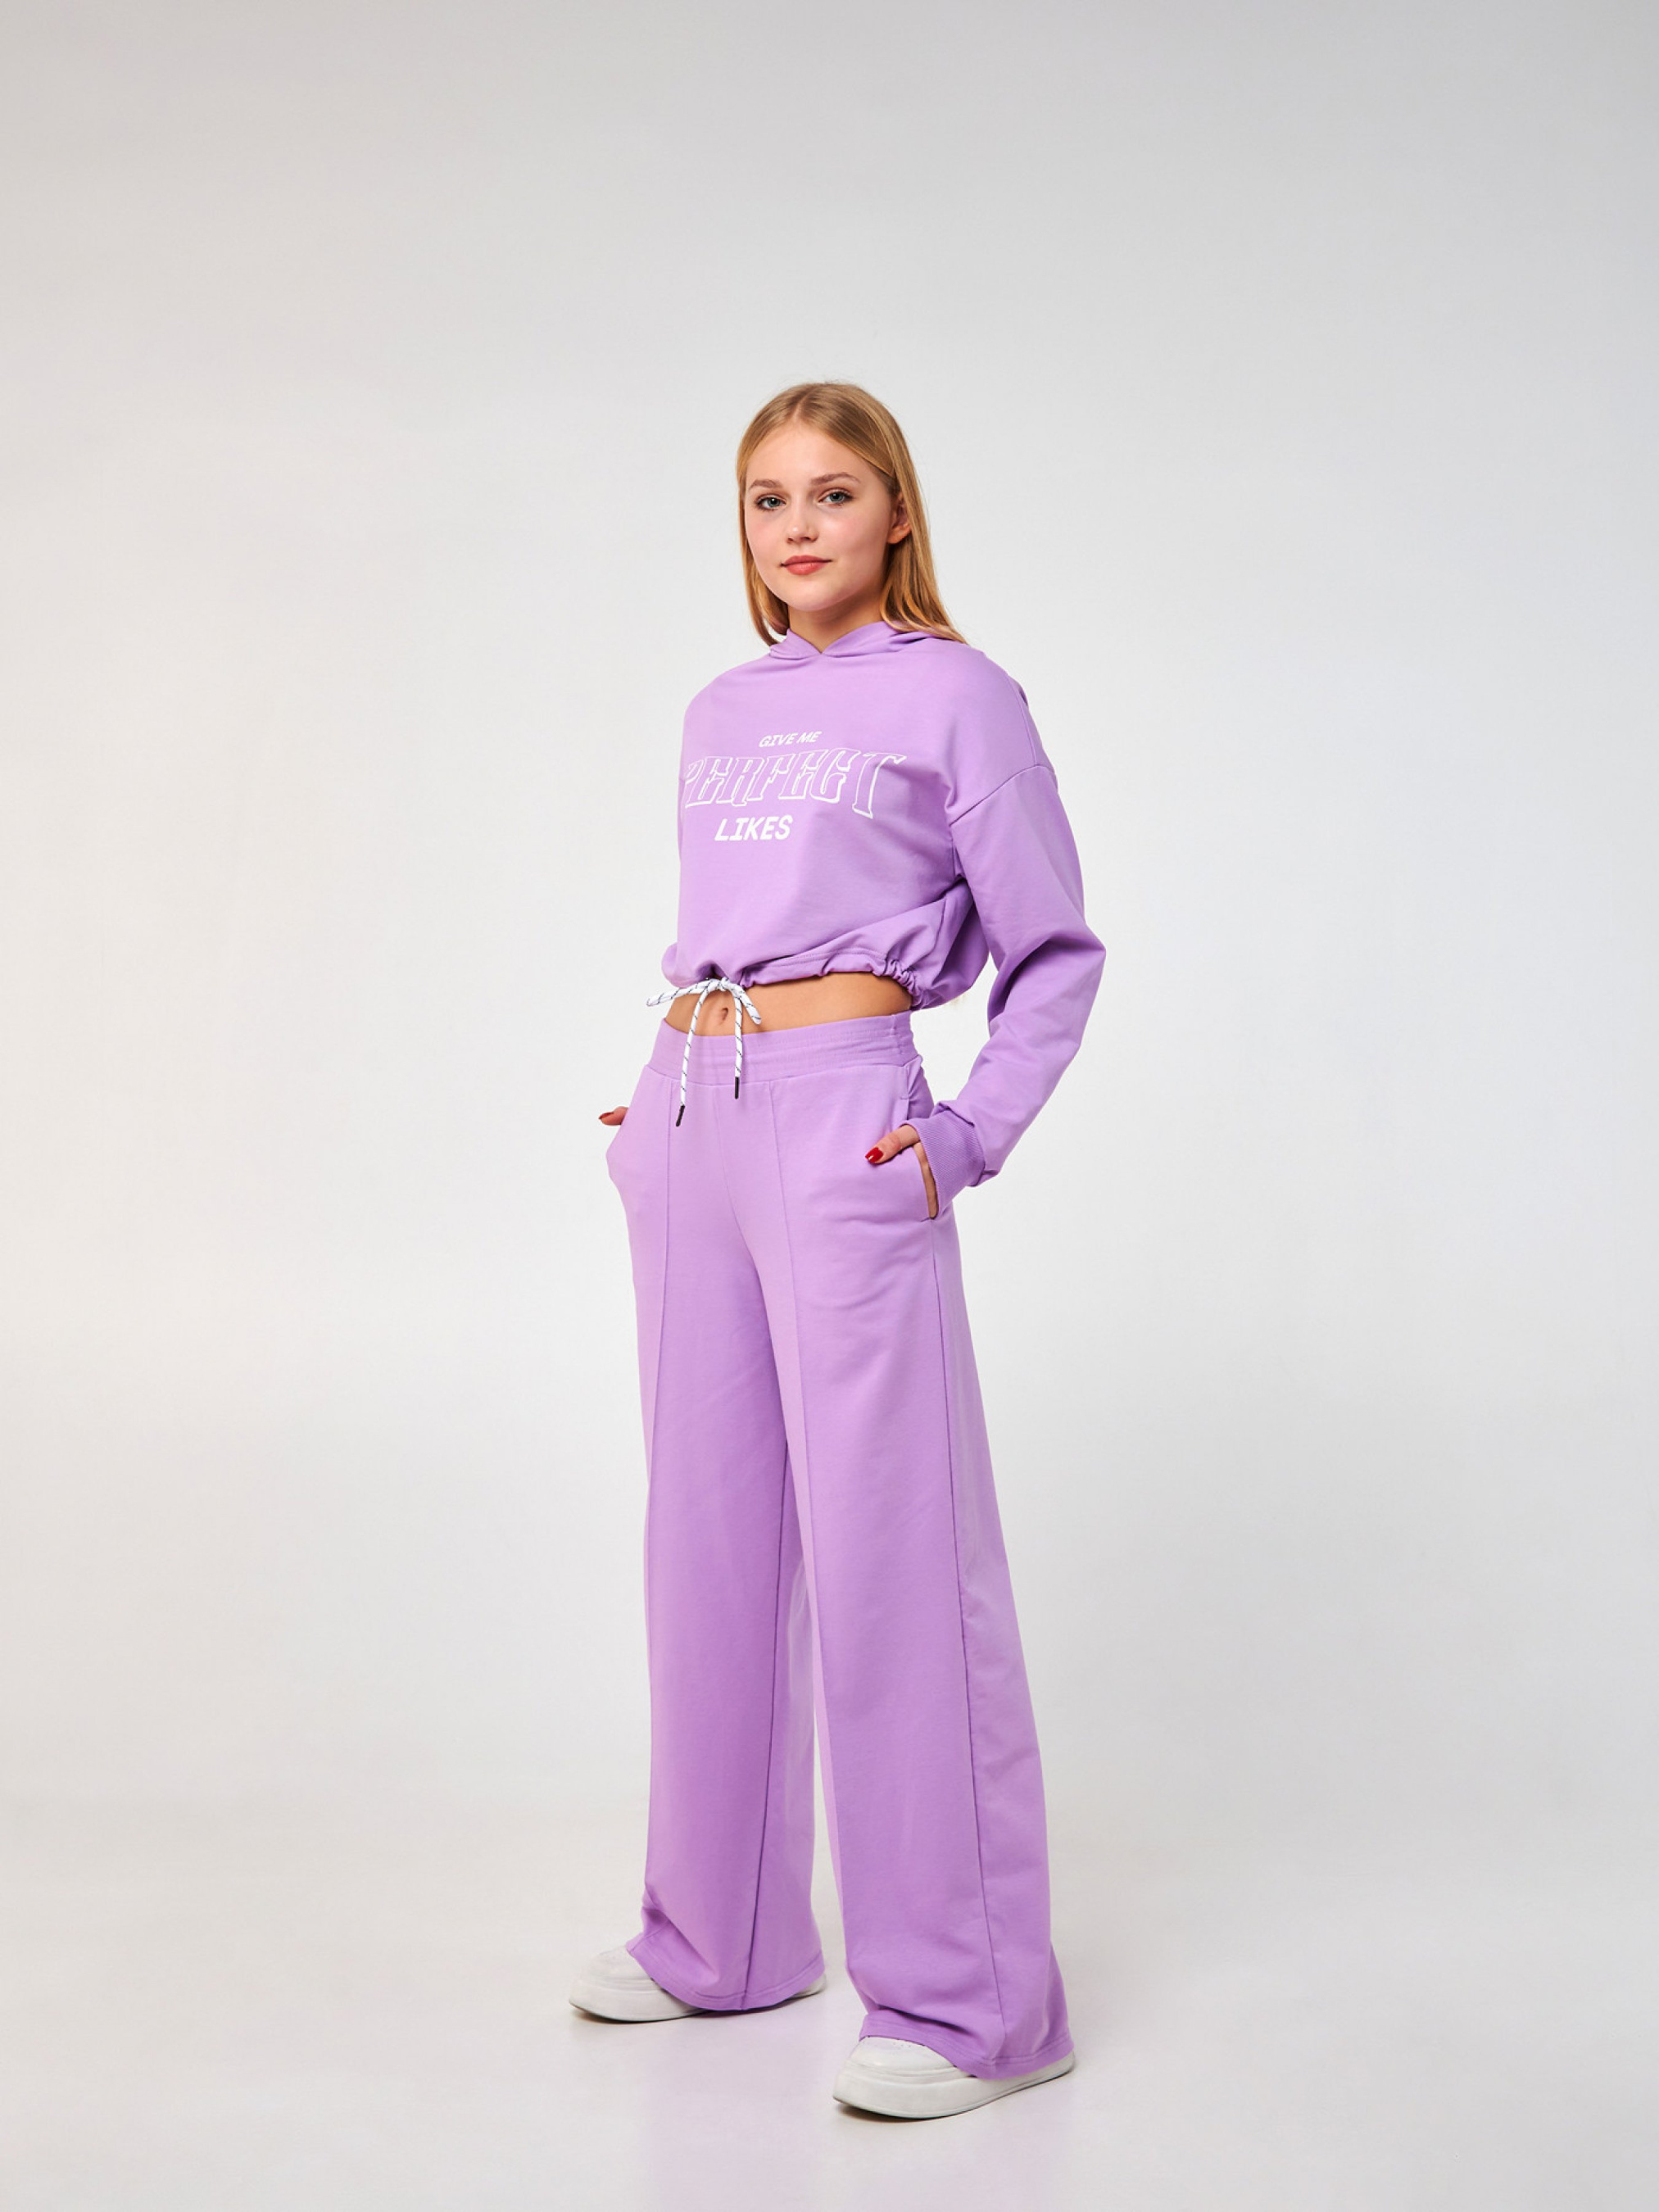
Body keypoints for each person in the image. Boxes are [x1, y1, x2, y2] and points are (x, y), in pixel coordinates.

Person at [569, 382, 1106, 2121]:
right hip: (688, 1113)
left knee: (893, 1551)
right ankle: (715, 1937)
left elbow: (1053, 952)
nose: (795, 525)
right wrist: (663, 1105)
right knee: (703, 1541)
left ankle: (967, 2006)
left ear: (895, 514)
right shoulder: (719, 709)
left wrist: (963, 1137)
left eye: (831, 492)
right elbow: (735, 930)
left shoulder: (958, 693)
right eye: (764, 498)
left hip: (844, 1129)